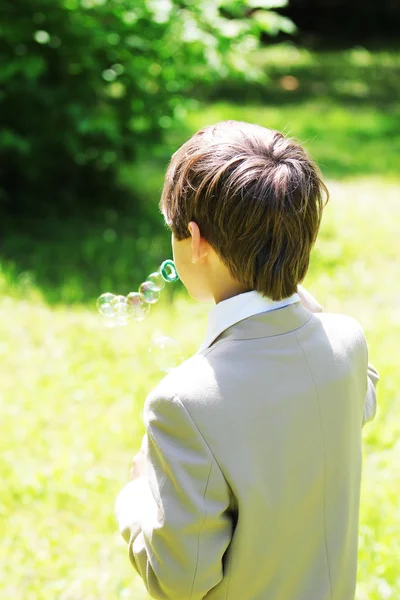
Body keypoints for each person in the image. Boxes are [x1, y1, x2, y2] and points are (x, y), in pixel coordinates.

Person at [115, 121, 379, 600]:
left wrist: (136, 495)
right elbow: (366, 393)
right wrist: (277, 267)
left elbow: (181, 578)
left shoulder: (184, 402)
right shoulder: (347, 343)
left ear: (195, 241)